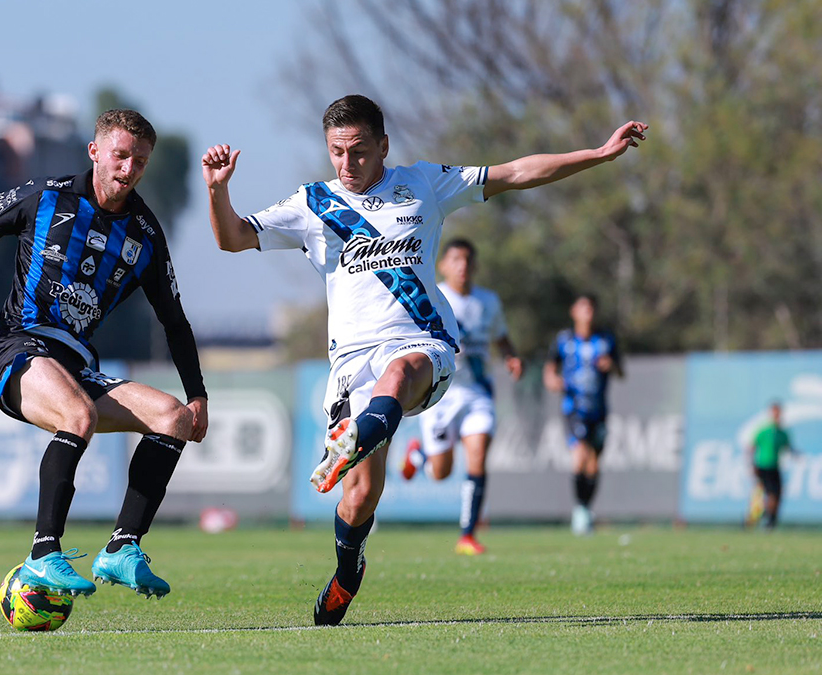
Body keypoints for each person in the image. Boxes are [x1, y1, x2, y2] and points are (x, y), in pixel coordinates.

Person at [203, 94, 646, 625]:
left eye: (360, 151)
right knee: (359, 497)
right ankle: (348, 570)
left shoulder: (424, 183)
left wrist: (597, 153)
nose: (348, 164)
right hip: (351, 368)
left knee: (402, 369)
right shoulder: (312, 204)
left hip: (423, 345)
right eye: (337, 152)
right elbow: (231, 239)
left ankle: (358, 437)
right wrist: (218, 190)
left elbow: (516, 172)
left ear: (383, 145)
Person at [0, 109, 208, 599]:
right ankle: (42, 556)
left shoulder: (145, 235)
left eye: (140, 160)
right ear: (95, 151)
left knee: (171, 418)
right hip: (16, 348)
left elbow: (174, 322)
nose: (128, 168)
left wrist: (197, 395)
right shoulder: (45, 196)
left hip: (75, 365)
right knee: (78, 413)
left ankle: (121, 547)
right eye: (120, 154)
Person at [400, 238, 522, 556]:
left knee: (478, 455)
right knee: (441, 473)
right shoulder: (434, 296)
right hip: (442, 392)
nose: (462, 266)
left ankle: (467, 535)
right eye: (455, 259)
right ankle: (420, 455)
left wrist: (511, 356)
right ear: (443, 265)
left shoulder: (488, 301)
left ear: (474, 266)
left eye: (467, 259)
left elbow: (501, 336)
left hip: (479, 392)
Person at [543, 294, 622, 536]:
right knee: (580, 456)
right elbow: (550, 368)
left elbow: (621, 370)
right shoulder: (564, 340)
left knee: (594, 465)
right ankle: (580, 512)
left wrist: (612, 366)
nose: (588, 312)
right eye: (583, 307)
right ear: (573, 312)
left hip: (598, 410)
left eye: (591, 308)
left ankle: (585, 509)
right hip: (573, 408)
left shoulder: (606, 339)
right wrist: (553, 380)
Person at [747, 401, 796, 530]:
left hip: (775, 467)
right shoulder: (764, 431)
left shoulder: (782, 433)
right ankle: (762, 518)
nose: (777, 415)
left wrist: (796, 454)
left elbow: (788, 447)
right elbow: (752, 446)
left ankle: (769, 519)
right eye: (774, 412)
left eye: (778, 412)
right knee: (768, 493)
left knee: (777, 494)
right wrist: (752, 464)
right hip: (763, 465)